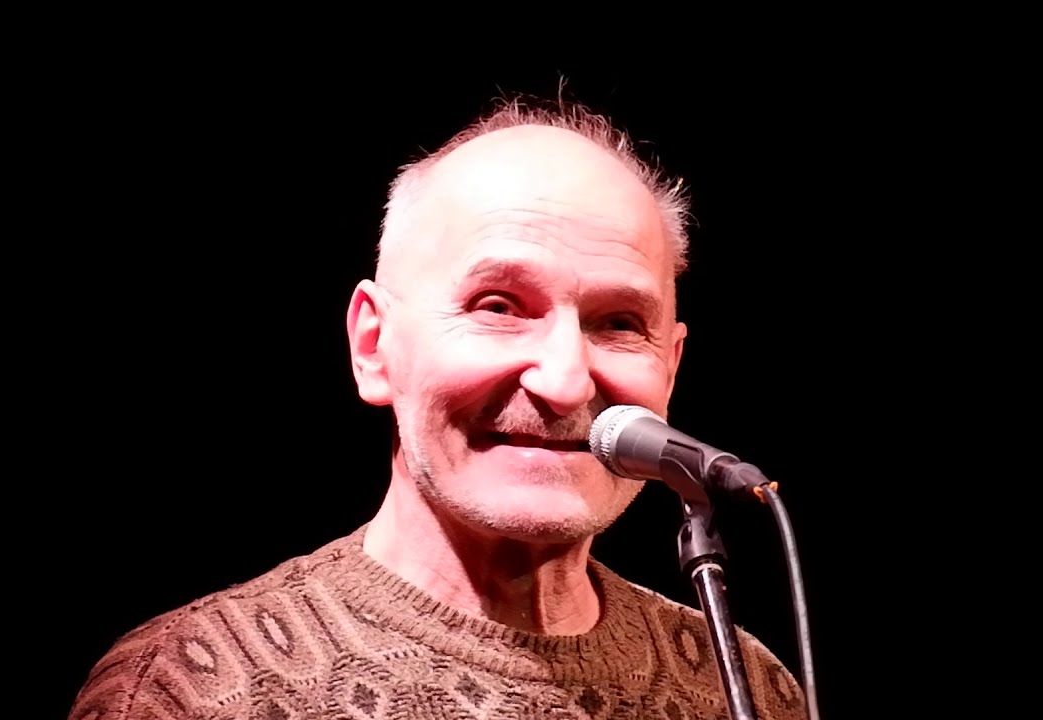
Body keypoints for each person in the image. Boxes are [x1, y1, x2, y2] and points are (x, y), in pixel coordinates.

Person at [68, 97, 808, 720]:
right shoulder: (189, 690)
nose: (564, 381)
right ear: (373, 345)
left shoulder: (747, 687)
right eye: (498, 306)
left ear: (670, 366)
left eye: (618, 323)